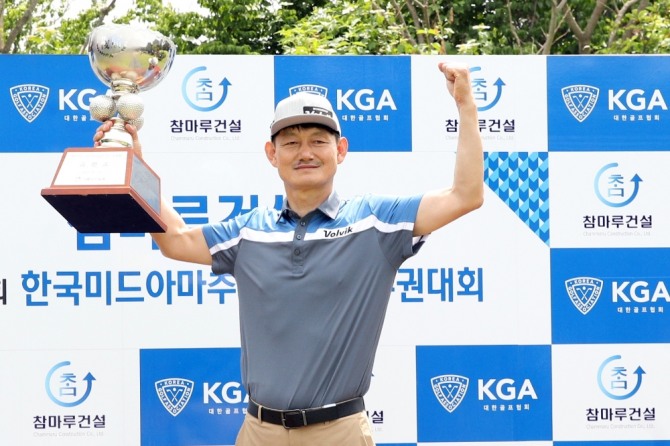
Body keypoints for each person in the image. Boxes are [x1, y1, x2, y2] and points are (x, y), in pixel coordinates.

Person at [94, 62, 483, 445]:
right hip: (259, 431)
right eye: (291, 142)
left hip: (339, 432)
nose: (305, 152)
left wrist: (465, 105)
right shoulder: (248, 231)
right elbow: (176, 239)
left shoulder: (375, 222)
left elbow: (465, 196)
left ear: (340, 150)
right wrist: (134, 165)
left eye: (318, 141)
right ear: (271, 153)